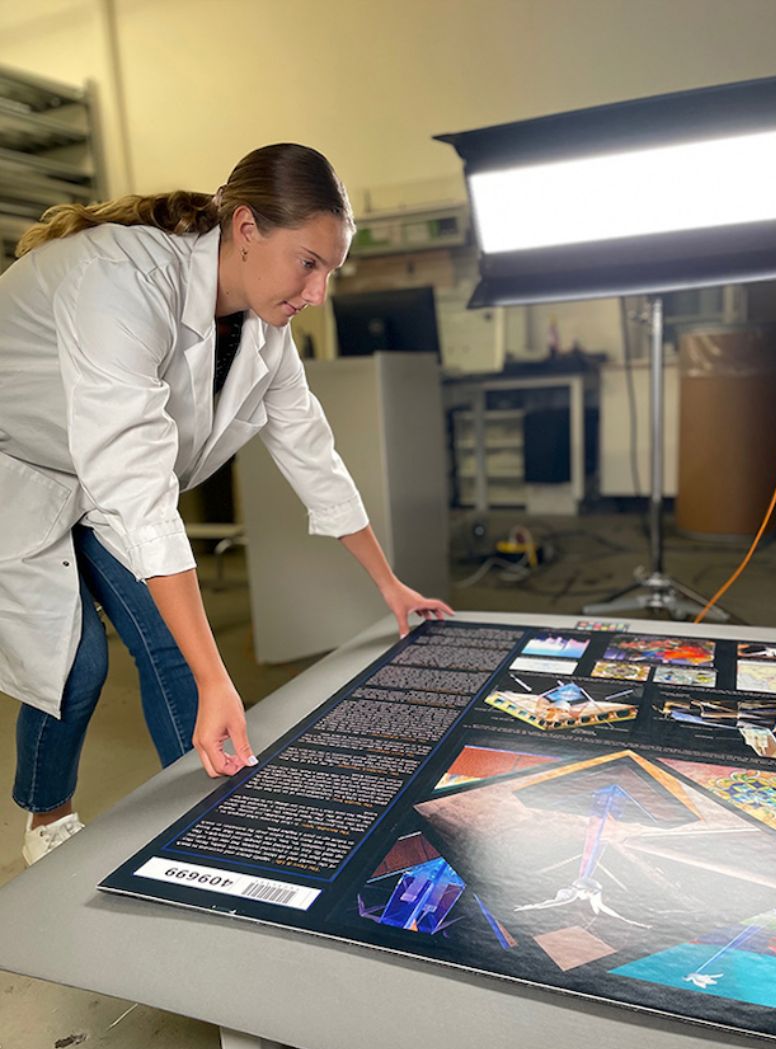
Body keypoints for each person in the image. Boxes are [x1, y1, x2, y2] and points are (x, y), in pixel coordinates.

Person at [0, 143, 454, 866]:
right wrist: (220, 680)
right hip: (21, 469)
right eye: (308, 263)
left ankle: (216, 823)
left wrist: (388, 586)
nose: (317, 294)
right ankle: (46, 815)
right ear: (246, 227)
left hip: (108, 483)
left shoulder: (263, 332)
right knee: (75, 666)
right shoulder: (117, 279)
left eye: (329, 272)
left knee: (179, 656)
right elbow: (136, 488)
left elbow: (314, 455)